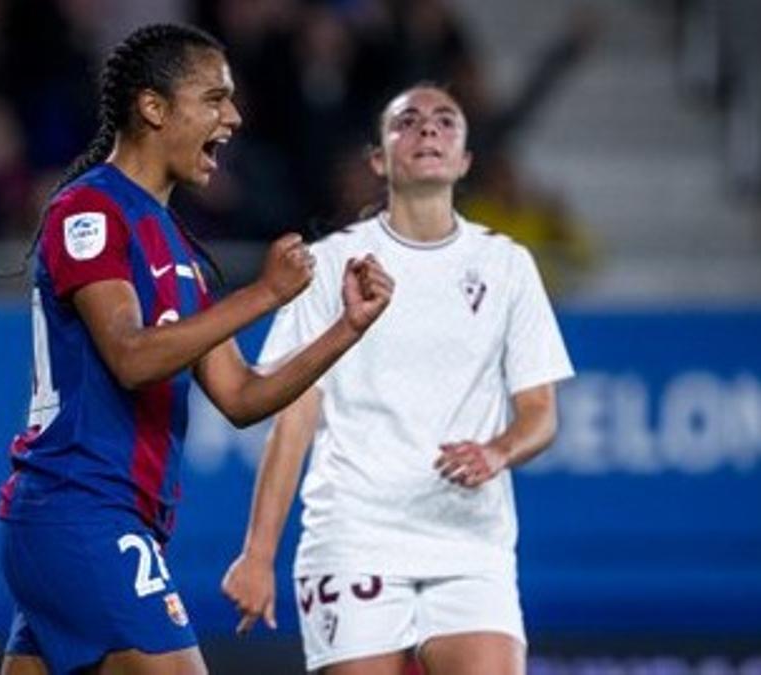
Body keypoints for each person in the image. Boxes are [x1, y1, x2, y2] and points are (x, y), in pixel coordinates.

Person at [0, 24, 394, 675]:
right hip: (79, 511)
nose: (232, 117)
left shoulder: (182, 249)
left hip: (90, 522)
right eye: (213, 98)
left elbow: (240, 396)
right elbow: (129, 355)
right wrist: (265, 293)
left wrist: (347, 328)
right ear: (153, 107)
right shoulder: (89, 210)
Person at [222, 83, 575, 675]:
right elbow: (295, 416)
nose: (428, 129)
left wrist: (498, 450)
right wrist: (258, 555)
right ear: (379, 160)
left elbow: (540, 413)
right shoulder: (329, 263)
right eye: (407, 121)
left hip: (470, 542)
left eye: (444, 121)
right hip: (355, 535)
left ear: (464, 161)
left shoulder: (508, 265)